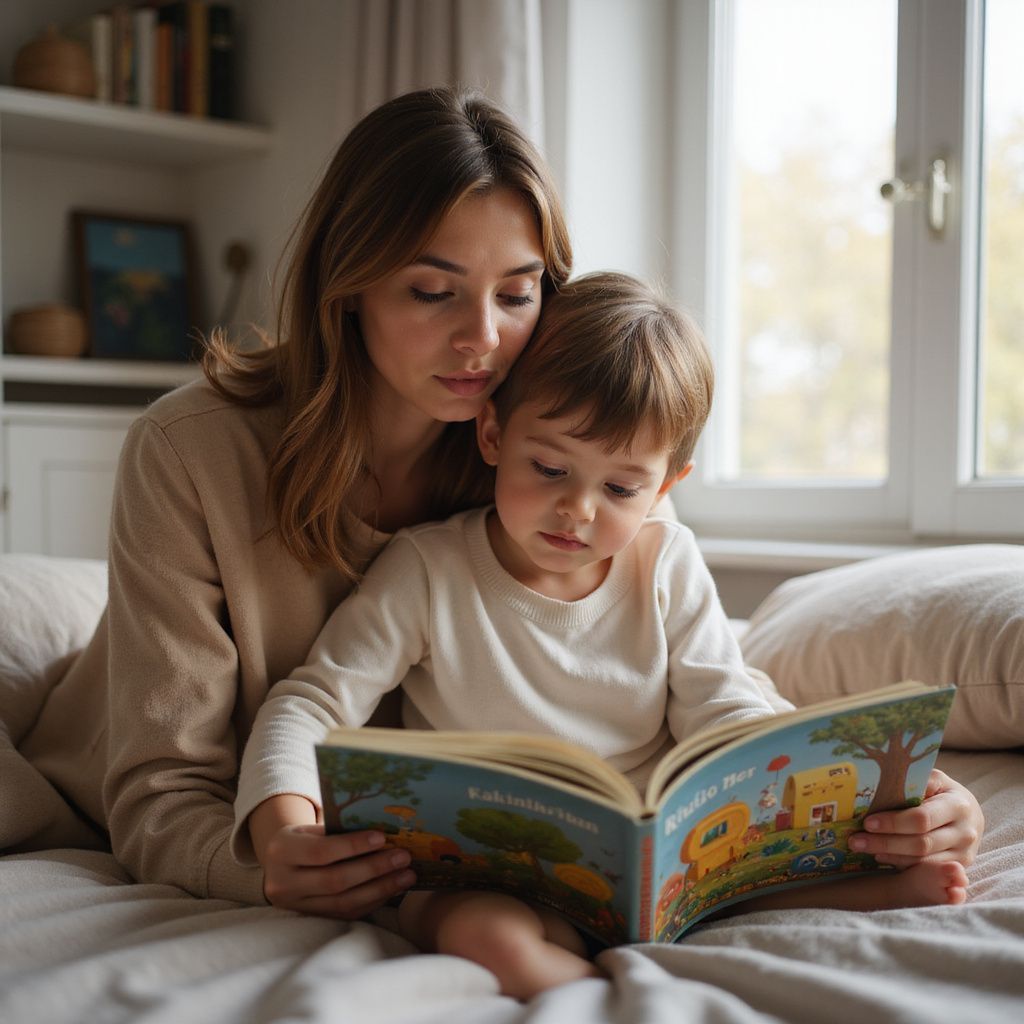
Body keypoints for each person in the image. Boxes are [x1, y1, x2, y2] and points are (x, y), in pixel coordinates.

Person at [234, 273, 976, 1001]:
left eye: (621, 489)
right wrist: (286, 829)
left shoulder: (665, 562)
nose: (577, 510)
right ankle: (600, 993)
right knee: (480, 934)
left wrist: (815, 795)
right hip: (496, 877)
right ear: (493, 434)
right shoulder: (427, 569)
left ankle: (723, 917)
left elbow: (726, 709)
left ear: (664, 488)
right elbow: (312, 702)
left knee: (815, 855)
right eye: (549, 467)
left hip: (662, 873)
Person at [14, 86, 571, 909]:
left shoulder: (558, 454)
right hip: (96, 788)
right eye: (431, 290)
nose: (482, 338)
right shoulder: (190, 449)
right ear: (349, 285)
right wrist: (265, 868)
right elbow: (159, 789)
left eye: (517, 294)